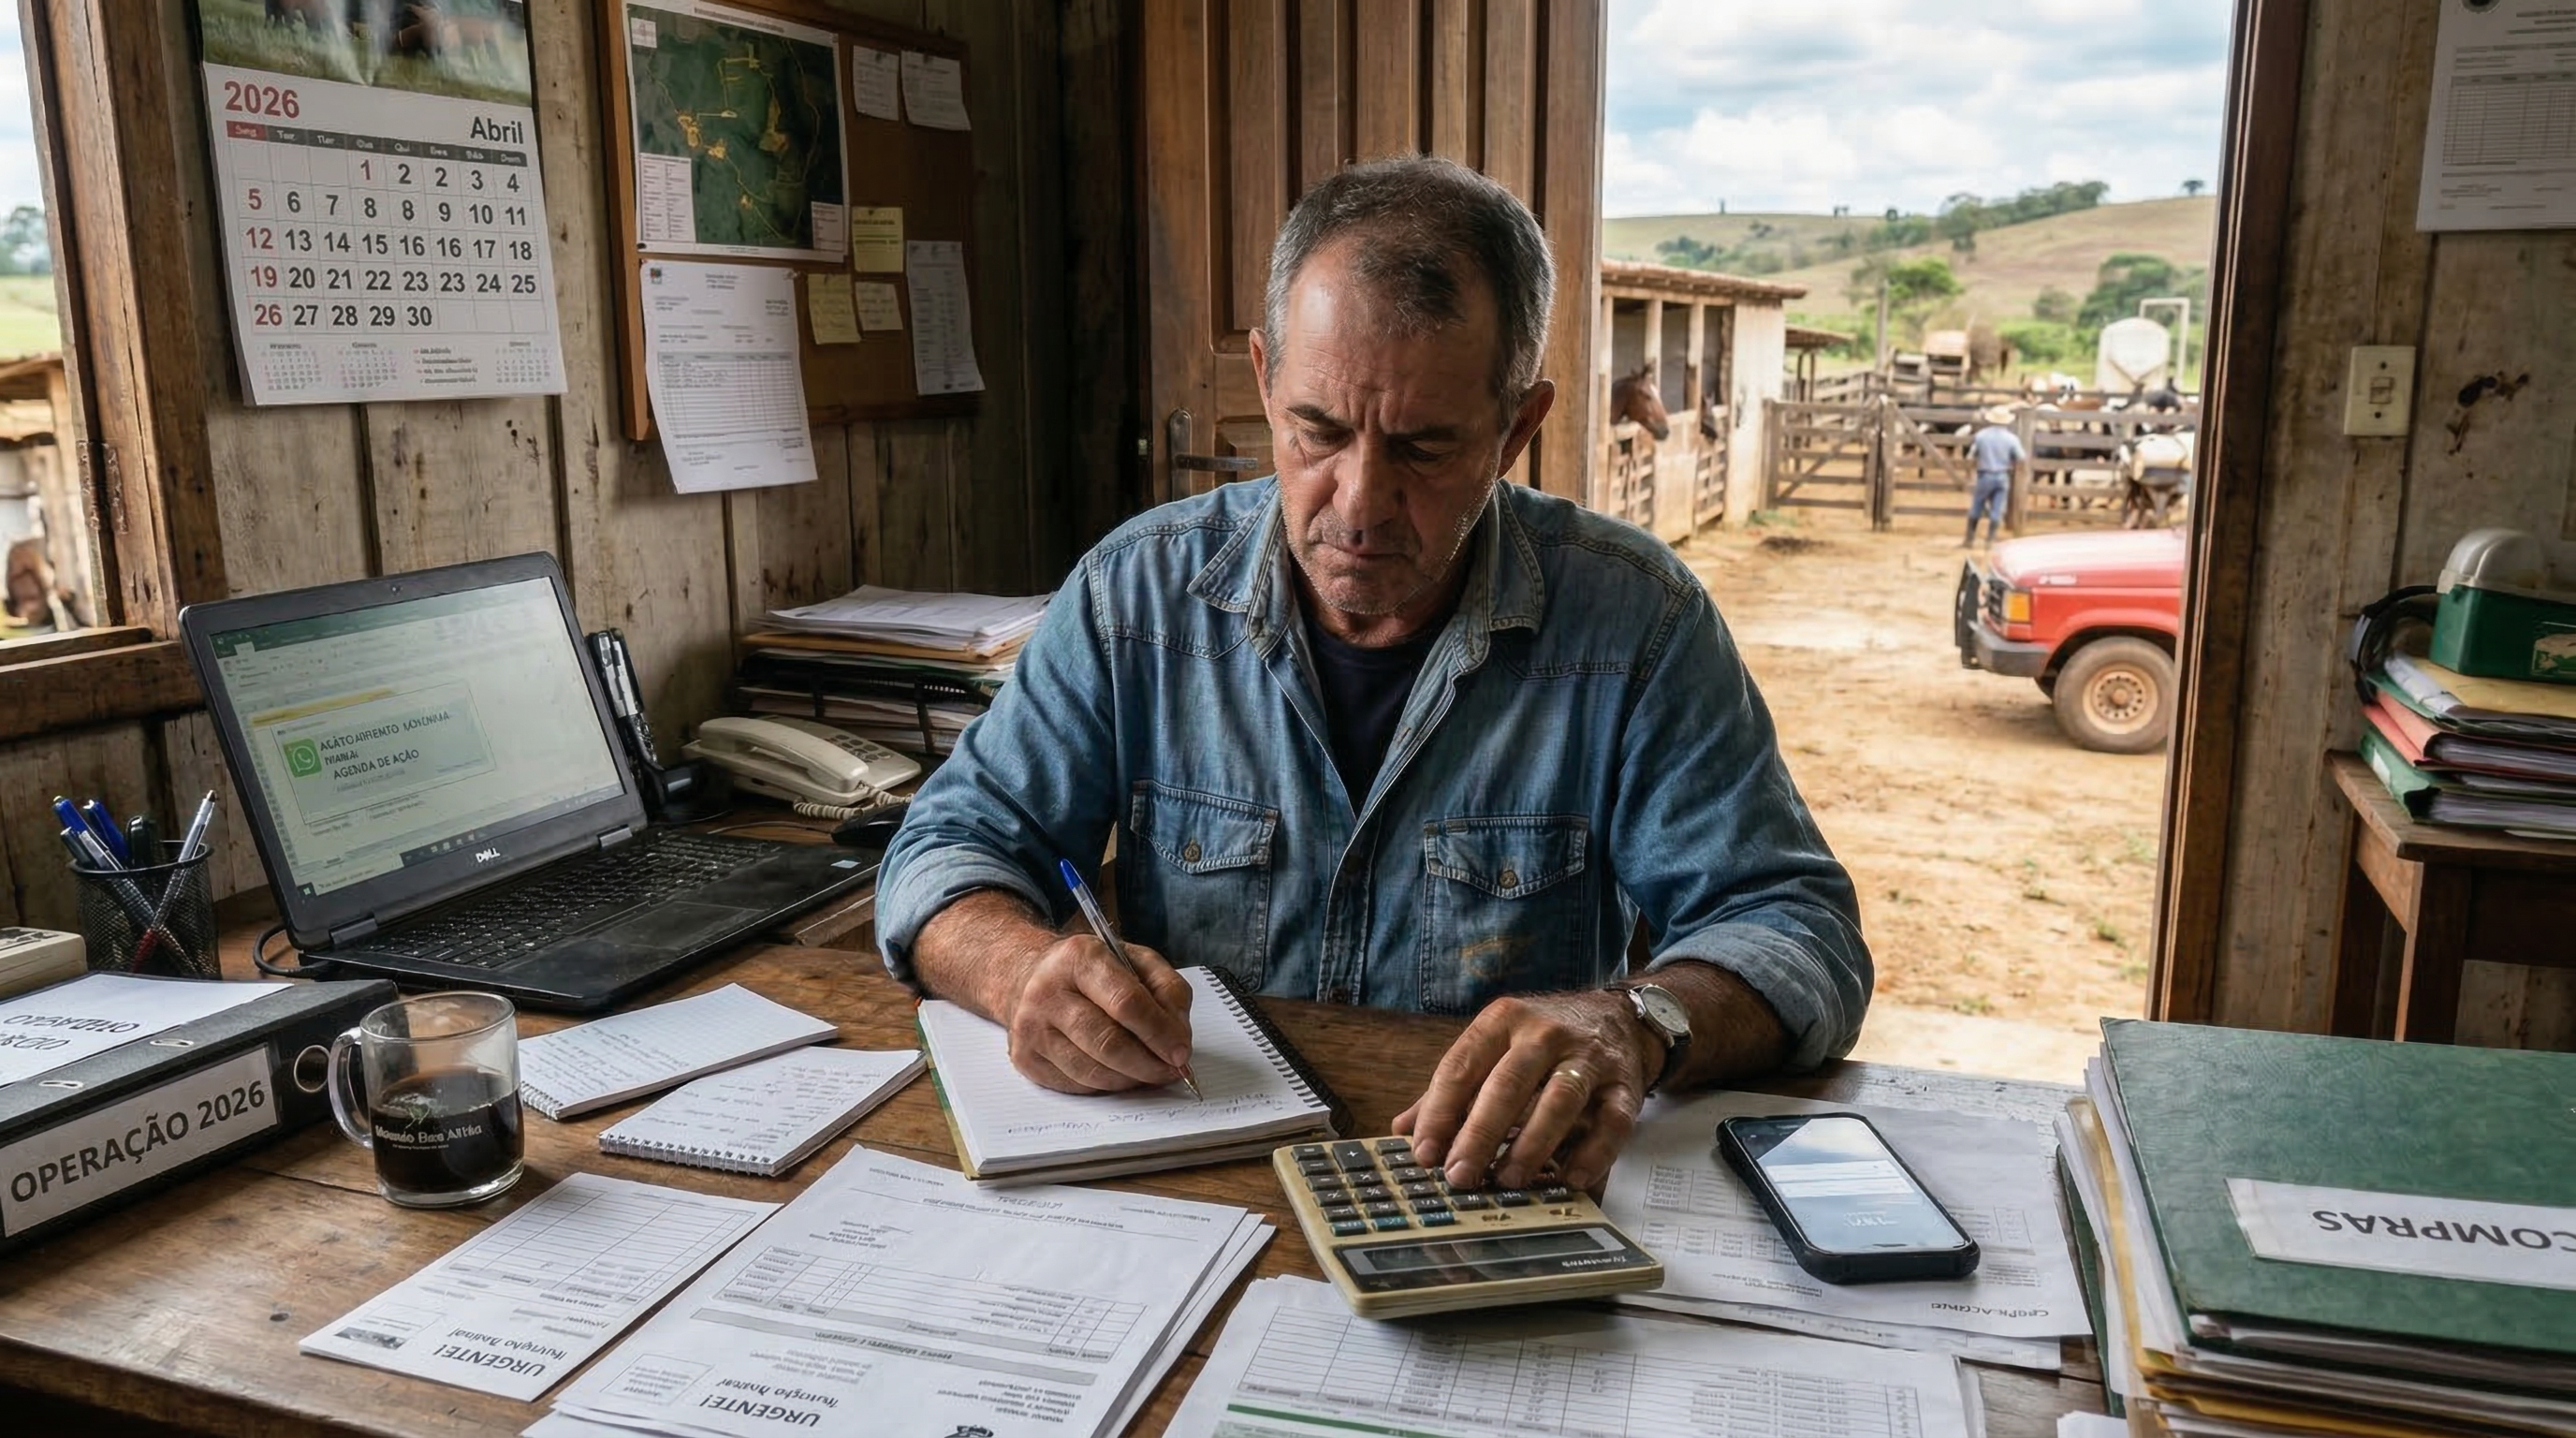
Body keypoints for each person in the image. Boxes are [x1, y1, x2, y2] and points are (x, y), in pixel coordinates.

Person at [875, 156, 1868, 1196]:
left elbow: (1797, 930)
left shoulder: (1636, 624)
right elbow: (949, 845)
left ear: (1516, 429)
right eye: (1318, 430)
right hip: (1191, 1180)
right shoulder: (1136, 600)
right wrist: (1019, 969)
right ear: (1265, 378)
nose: (1357, 503)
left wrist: (1634, 1019)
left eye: (1423, 447)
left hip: (1478, 1190)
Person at [1965, 404, 2024, 549]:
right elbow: (2021, 458)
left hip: (1984, 475)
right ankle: (1990, 540)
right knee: (1998, 508)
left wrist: (1969, 472)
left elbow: (1971, 456)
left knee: (1977, 505)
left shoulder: (1981, 436)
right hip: (2002, 475)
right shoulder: (2011, 439)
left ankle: (1969, 539)